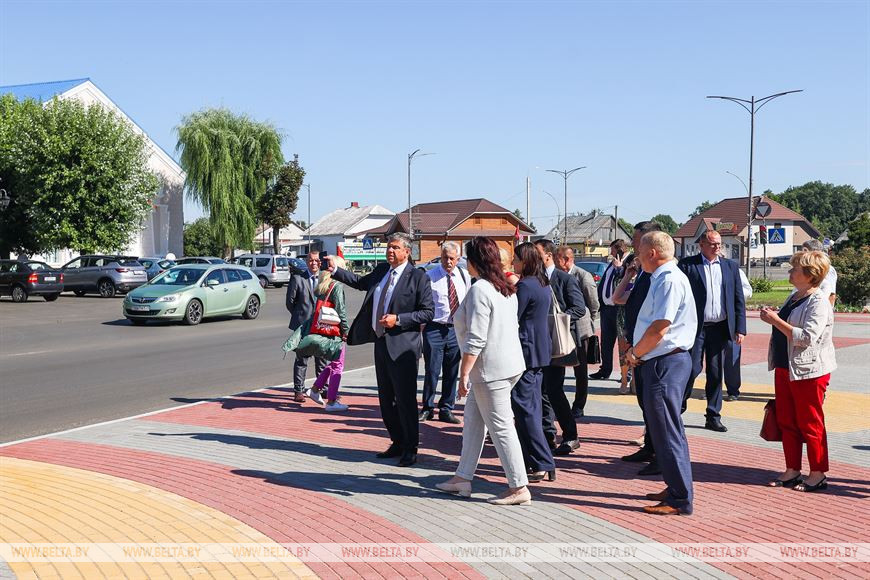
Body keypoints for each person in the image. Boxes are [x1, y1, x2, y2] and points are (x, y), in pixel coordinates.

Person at [435, 237, 531, 505]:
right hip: (505, 365)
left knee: (501, 427)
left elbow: (477, 337)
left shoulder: (481, 290)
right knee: (474, 423)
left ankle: (519, 486)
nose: (465, 263)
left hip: (491, 370)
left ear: (476, 261)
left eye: (467, 258)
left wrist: (463, 373)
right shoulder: (504, 288)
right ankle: (463, 478)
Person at [327, 234, 434, 467]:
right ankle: (396, 442)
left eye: (396, 248)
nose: (391, 251)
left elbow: (428, 312)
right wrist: (336, 270)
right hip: (382, 344)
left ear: (407, 251)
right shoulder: (382, 270)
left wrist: (399, 319)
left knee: (404, 400)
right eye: (389, 247)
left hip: (403, 347)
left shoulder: (417, 277)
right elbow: (359, 282)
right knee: (386, 400)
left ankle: (410, 447)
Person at [624, 231, 697, 515]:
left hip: (665, 362)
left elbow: (659, 328)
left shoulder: (668, 279)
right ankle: (676, 487)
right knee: (666, 429)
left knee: (666, 431)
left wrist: (634, 354)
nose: (637, 255)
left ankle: (679, 499)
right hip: (663, 360)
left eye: (640, 250)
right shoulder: (664, 277)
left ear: (652, 253)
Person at [759, 250, 836, 492]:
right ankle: (792, 469)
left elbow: (806, 338)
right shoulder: (794, 296)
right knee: (787, 421)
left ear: (810, 274)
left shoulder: (819, 301)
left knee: (810, 422)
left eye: (795, 269)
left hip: (809, 371)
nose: (790, 272)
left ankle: (817, 472)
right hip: (785, 367)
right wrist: (775, 316)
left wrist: (775, 321)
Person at [678, 230, 747, 432]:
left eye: (719, 244)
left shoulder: (730, 267)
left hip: (720, 328)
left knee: (716, 373)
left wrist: (740, 328)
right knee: (690, 369)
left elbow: (738, 299)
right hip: (695, 328)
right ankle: (677, 411)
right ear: (701, 245)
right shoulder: (688, 265)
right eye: (712, 244)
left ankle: (713, 416)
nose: (717, 247)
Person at [613, 221, 663, 476]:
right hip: (637, 343)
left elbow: (661, 321)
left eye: (637, 240)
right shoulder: (642, 271)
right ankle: (649, 447)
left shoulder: (660, 277)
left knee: (655, 405)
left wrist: (640, 348)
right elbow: (617, 299)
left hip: (650, 348)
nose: (633, 245)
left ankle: (659, 456)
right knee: (644, 400)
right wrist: (628, 274)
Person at [533, 239, 586, 456]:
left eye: (536, 253)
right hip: (537, 343)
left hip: (557, 342)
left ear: (548, 255)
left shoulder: (564, 279)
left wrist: (558, 320)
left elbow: (579, 308)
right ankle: (547, 433)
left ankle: (571, 435)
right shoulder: (533, 280)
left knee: (554, 390)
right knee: (540, 390)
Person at [511, 242, 556, 482]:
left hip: (526, 353)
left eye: (516, 259)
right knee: (532, 408)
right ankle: (535, 460)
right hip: (538, 352)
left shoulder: (525, 286)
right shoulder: (541, 283)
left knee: (525, 409)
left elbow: (513, 318)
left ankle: (541, 461)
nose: (513, 263)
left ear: (526, 261)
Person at [420, 242, 469, 424]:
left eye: (451, 258)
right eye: (444, 258)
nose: (448, 262)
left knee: (452, 370)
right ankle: (427, 407)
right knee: (432, 370)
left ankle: (447, 408)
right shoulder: (430, 276)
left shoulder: (464, 276)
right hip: (434, 328)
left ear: (458, 259)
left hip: (455, 329)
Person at [555, 246, 600, 419]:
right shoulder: (556, 275)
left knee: (580, 369)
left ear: (566, 259)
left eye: (557, 260)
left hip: (580, 328)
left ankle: (579, 405)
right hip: (561, 326)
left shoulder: (582, 276)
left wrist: (589, 322)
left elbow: (593, 303)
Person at [308, 256, 351, 412]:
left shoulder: (323, 285)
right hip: (335, 330)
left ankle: (315, 389)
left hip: (324, 328)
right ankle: (332, 401)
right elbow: (341, 311)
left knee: (333, 362)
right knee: (338, 364)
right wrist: (346, 330)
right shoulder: (337, 286)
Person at [286, 251, 327, 403]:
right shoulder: (298, 278)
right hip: (303, 325)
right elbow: (290, 302)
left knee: (321, 359)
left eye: (316, 260)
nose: (314, 263)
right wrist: (300, 315)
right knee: (301, 359)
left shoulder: (325, 278)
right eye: (311, 260)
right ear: (307, 262)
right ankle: (298, 390)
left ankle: (322, 389)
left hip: (321, 326)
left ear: (320, 262)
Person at [590, 240, 628, 381]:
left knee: (623, 341)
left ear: (619, 250)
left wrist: (619, 268)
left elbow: (626, 281)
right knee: (606, 342)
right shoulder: (612, 264)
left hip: (620, 310)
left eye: (612, 250)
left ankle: (626, 373)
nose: (611, 253)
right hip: (607, 309)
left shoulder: (628, 261)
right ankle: (605, 370)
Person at [724, 268, 753, 401]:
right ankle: (712, 388)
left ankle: (733, 390)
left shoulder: (733, 270)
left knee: (732, 356)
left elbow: (748, 290)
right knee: (713, 359)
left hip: (731, 321)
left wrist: (733, 293)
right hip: (711, 322)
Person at [802, 239, 837, 307]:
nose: (802, 253)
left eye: (805, 250)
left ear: (814, 252)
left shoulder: (827, 269)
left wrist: (827, 315)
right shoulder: (808, 269)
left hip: (820, 311)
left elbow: (831, 295)